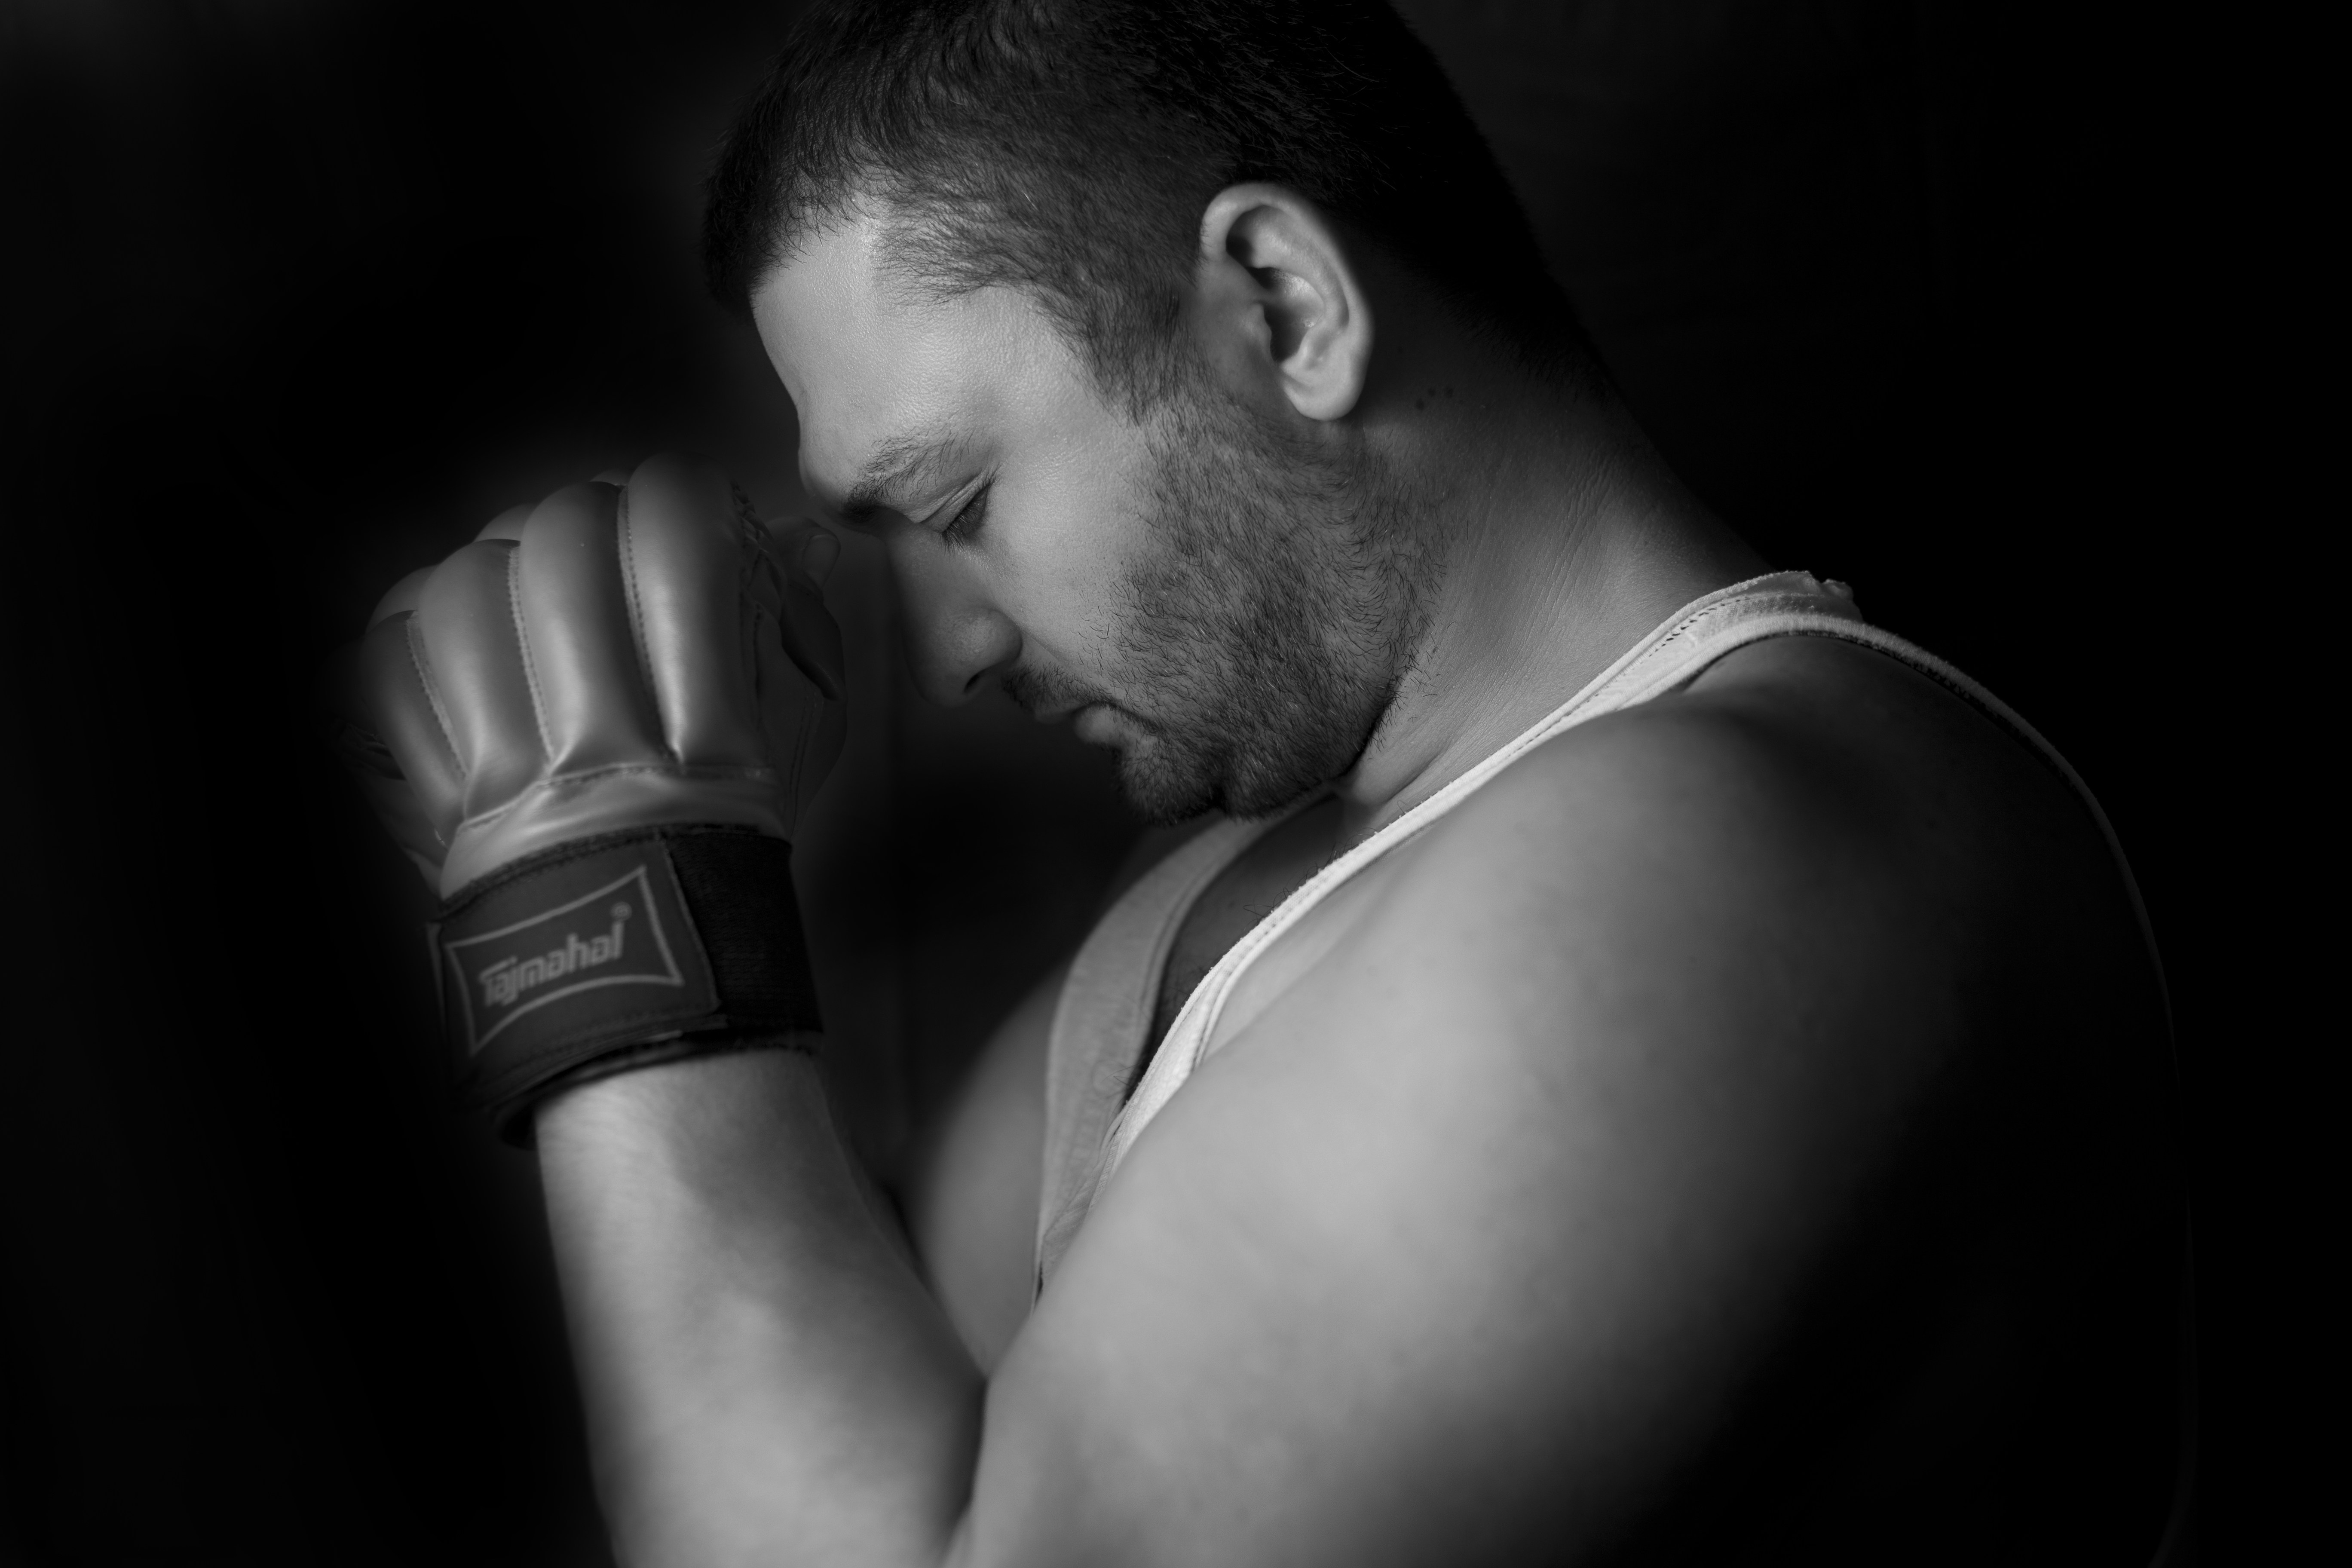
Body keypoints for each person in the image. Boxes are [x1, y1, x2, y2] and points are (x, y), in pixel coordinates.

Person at [340, 2, 2189, 1562]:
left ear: (1288, 308)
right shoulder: (1240, 888)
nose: (949, 653)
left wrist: (615, 915)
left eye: (960, 504)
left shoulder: (1706, 873)